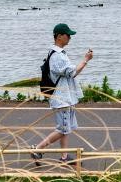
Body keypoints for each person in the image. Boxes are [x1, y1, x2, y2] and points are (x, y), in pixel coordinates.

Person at [30, 23, 93, 166]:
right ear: (59, 36)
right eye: (67, 35)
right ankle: (37, 149)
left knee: (66, 128)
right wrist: (86, 60)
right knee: (61, 129)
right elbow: (73, 72)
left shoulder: (57, 53)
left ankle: (64, 157)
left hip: (65, 98)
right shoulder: (57, 56)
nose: (69, 38)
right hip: (62, 98)